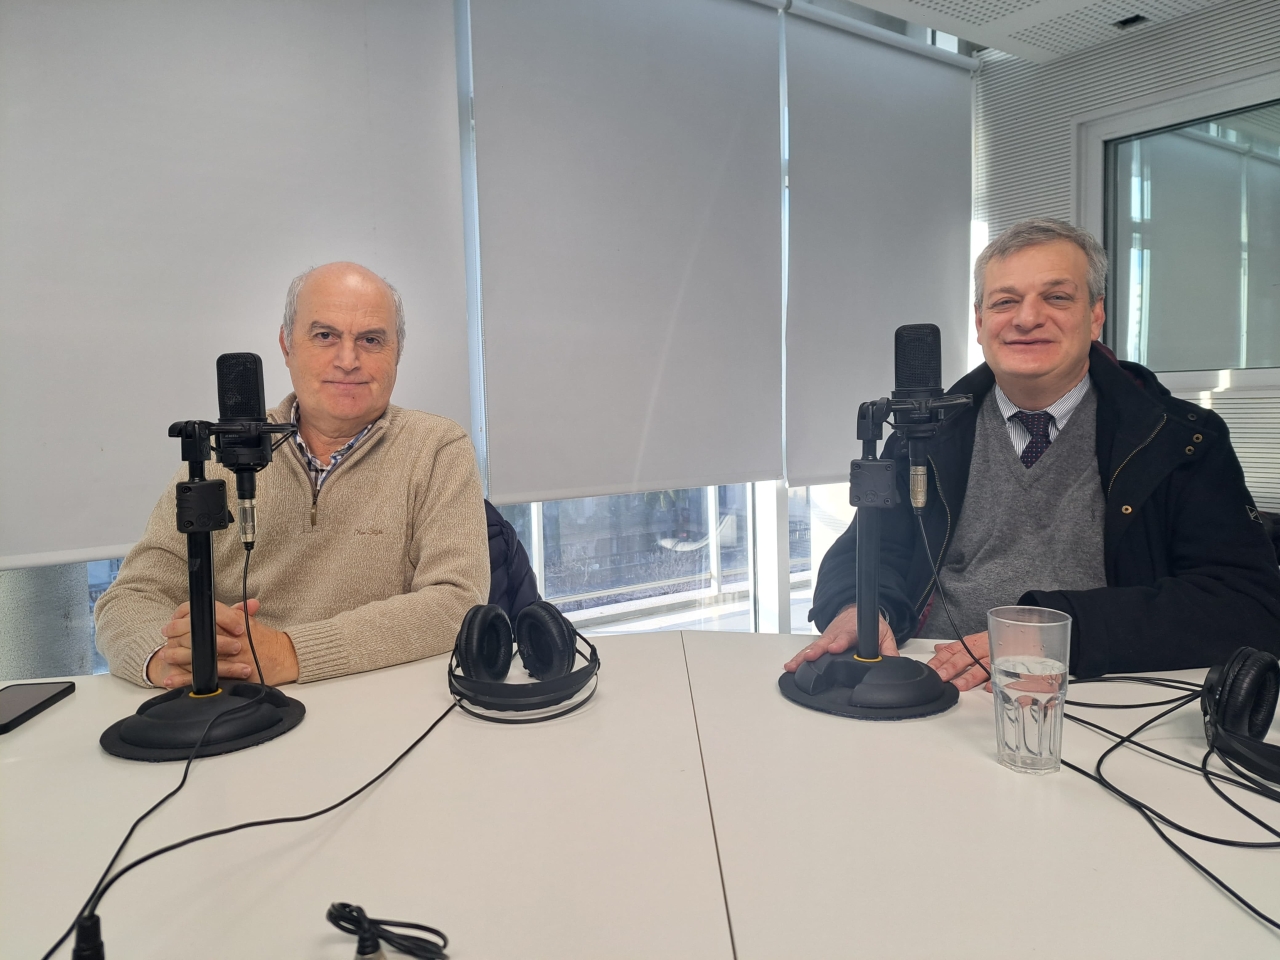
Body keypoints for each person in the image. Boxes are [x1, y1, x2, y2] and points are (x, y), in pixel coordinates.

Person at [785, 219, 1280, 691]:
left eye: (1057, 297)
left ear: (1096, 315)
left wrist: (1053, 637)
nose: (1026, 318)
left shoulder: (1179, 440)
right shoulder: (924, 433)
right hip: (929, 678)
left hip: (1096, 689)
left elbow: (1245, 604)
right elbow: (867, 551)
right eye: (1005, 301)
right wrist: (857, 608)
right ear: (980, 322)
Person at [96, 262, 490, 688]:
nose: (348, 360)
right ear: (287, 345)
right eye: (325, 336)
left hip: (378, 698)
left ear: (398, 351)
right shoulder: (220, 454)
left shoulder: (436, 448)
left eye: (371, 340)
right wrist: (165, 657)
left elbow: (457, 601)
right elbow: (132, 595)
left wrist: (291, 651)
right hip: (239, 700)